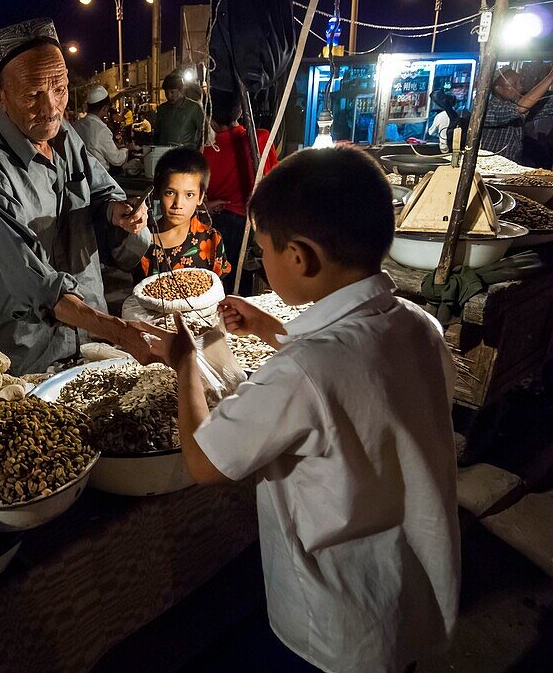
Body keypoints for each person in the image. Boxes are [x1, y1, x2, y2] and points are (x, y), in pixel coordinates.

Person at [159, 146, 460, 673]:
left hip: (332, 623)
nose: (263, 263)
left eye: (264, 251)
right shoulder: (417, 325)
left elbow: (204, 463)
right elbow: (356, 378)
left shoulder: (301, 373)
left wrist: (184, 364)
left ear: (299, 257)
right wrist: (273, 329)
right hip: (404, 593)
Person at [0, 17, 165, 374]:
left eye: (60, 89)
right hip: (17, 352)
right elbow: (33, 281)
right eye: (33, 94)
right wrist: (121, 332)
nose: (51, 108)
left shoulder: (63, 135)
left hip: (83, 336)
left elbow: (102, 190)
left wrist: (117, 211)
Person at [202, 87, 278, 294]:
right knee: (241, 283)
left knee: (218, 281)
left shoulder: (206, 151)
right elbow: (272, 181)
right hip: (249, 224)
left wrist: (209, 204)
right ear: (240, 112)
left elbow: (203, 192)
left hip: (221, 224)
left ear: (209, 117)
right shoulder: (262, 138)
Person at [133, 148, 230, 282]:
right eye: (170, 193)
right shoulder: (143, 239)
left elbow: (217, 287)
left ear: (201, 197)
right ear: (158, 193)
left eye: (189, 195)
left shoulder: (211, 239)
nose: (178, 204)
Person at [481, 61, 553, 163]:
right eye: (514, 84)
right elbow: (520, 108)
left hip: (509, 167)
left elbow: (551, 104)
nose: (519, 87)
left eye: (520, 83)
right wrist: (551, 77)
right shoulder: (487, 108)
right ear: (498, 89)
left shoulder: (517, 105)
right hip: (487, 167)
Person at [73, 86, 129, 173]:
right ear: (105, 108)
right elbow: (116, 159)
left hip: (79, 176)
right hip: (99, 177)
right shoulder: (101, 130)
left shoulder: (76, 125)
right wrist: (125, 149)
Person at [154, 71, 204, 147]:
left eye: (172, 92)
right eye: (166, 93)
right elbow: (157, 133)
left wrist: (196, 148)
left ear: (181, 90)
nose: (169, 96)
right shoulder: (162, 109)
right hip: (164, 153)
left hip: (186, 153)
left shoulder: (194, 108)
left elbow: (204, 131)